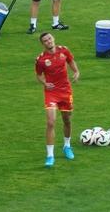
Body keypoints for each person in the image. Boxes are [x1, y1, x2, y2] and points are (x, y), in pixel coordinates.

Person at [35, 32, 80, 167]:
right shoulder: (41, 60)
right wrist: (44, 83)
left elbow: (71, 60)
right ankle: (50, 155)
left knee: (67, 120)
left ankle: (67, 146)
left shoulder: (64, 50)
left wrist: (76, 71)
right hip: (51, 92)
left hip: (65, 91)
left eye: (49, 38)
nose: (48, 41)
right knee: (51, 122)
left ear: (53, 39)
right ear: (43, 44)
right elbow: (38, 75)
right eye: (45, 40)